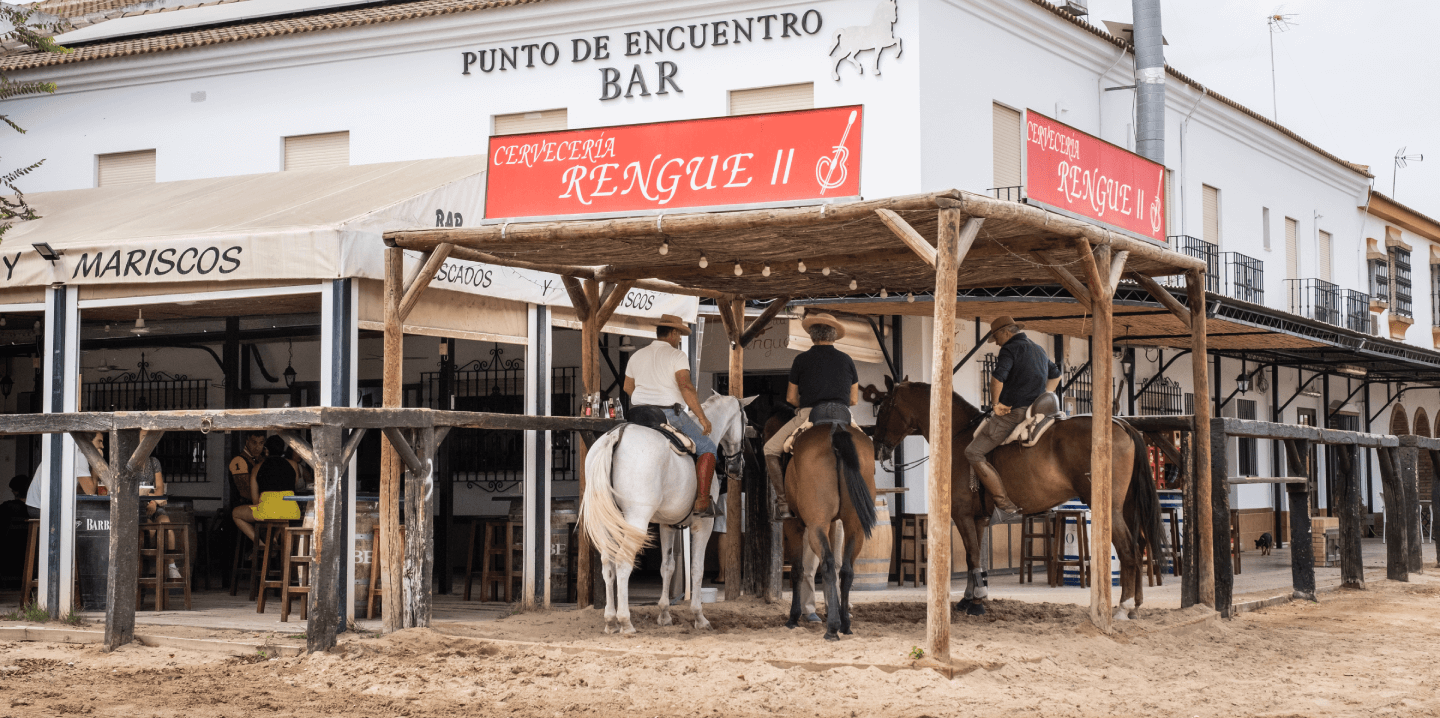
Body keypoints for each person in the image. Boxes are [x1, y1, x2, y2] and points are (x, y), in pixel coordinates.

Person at [763, 313, 859, 519]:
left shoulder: (801, 359)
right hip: (844, 414)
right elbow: (854, 400)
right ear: (834, 336)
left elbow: (790, 397)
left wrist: (805, 405)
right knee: (865, 447)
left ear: (812, 336)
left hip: (810, 413)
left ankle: (782, 503)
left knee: (770, 449)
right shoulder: (847, 360)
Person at [965, 315, 1061, 522]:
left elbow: (997, 378)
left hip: (1016, 413)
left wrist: (996, 404)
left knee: (973, 452)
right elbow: (1057, 375)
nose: (996, 342)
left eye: (996, 337)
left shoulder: (1009, 349)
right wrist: (1042, 397)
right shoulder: (1039, 349)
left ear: (1006, 332)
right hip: (1038, 412)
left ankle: (1005, 505)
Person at [623, 314, 718, 516]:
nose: (680, 339)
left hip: (638, 415)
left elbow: (627, 387)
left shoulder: (636, 355)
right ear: (673, 333)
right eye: (679, 335)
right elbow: (685, 386)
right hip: (667, 414)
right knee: (708, 447)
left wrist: (646, 399)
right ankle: (702, 502)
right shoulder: (677, 355)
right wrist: (701, 417)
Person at [231, 435, 302, 542]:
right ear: (283, 449)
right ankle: (274, 540)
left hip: (268, 512)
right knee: (281, 518)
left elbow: (255, 501)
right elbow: (294, 485)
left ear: (266, 450)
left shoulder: (257, 468)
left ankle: (261, 544)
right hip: (292, 511)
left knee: (236, 513)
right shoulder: (294, 465)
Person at [228, 432, 265, 504]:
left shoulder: (260, 459)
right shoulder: (238, 461)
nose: (257, 447)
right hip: (242, 508)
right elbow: (245, 493)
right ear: (247, 442)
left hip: (256, 507)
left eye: (261, 443)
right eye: (254, 443)